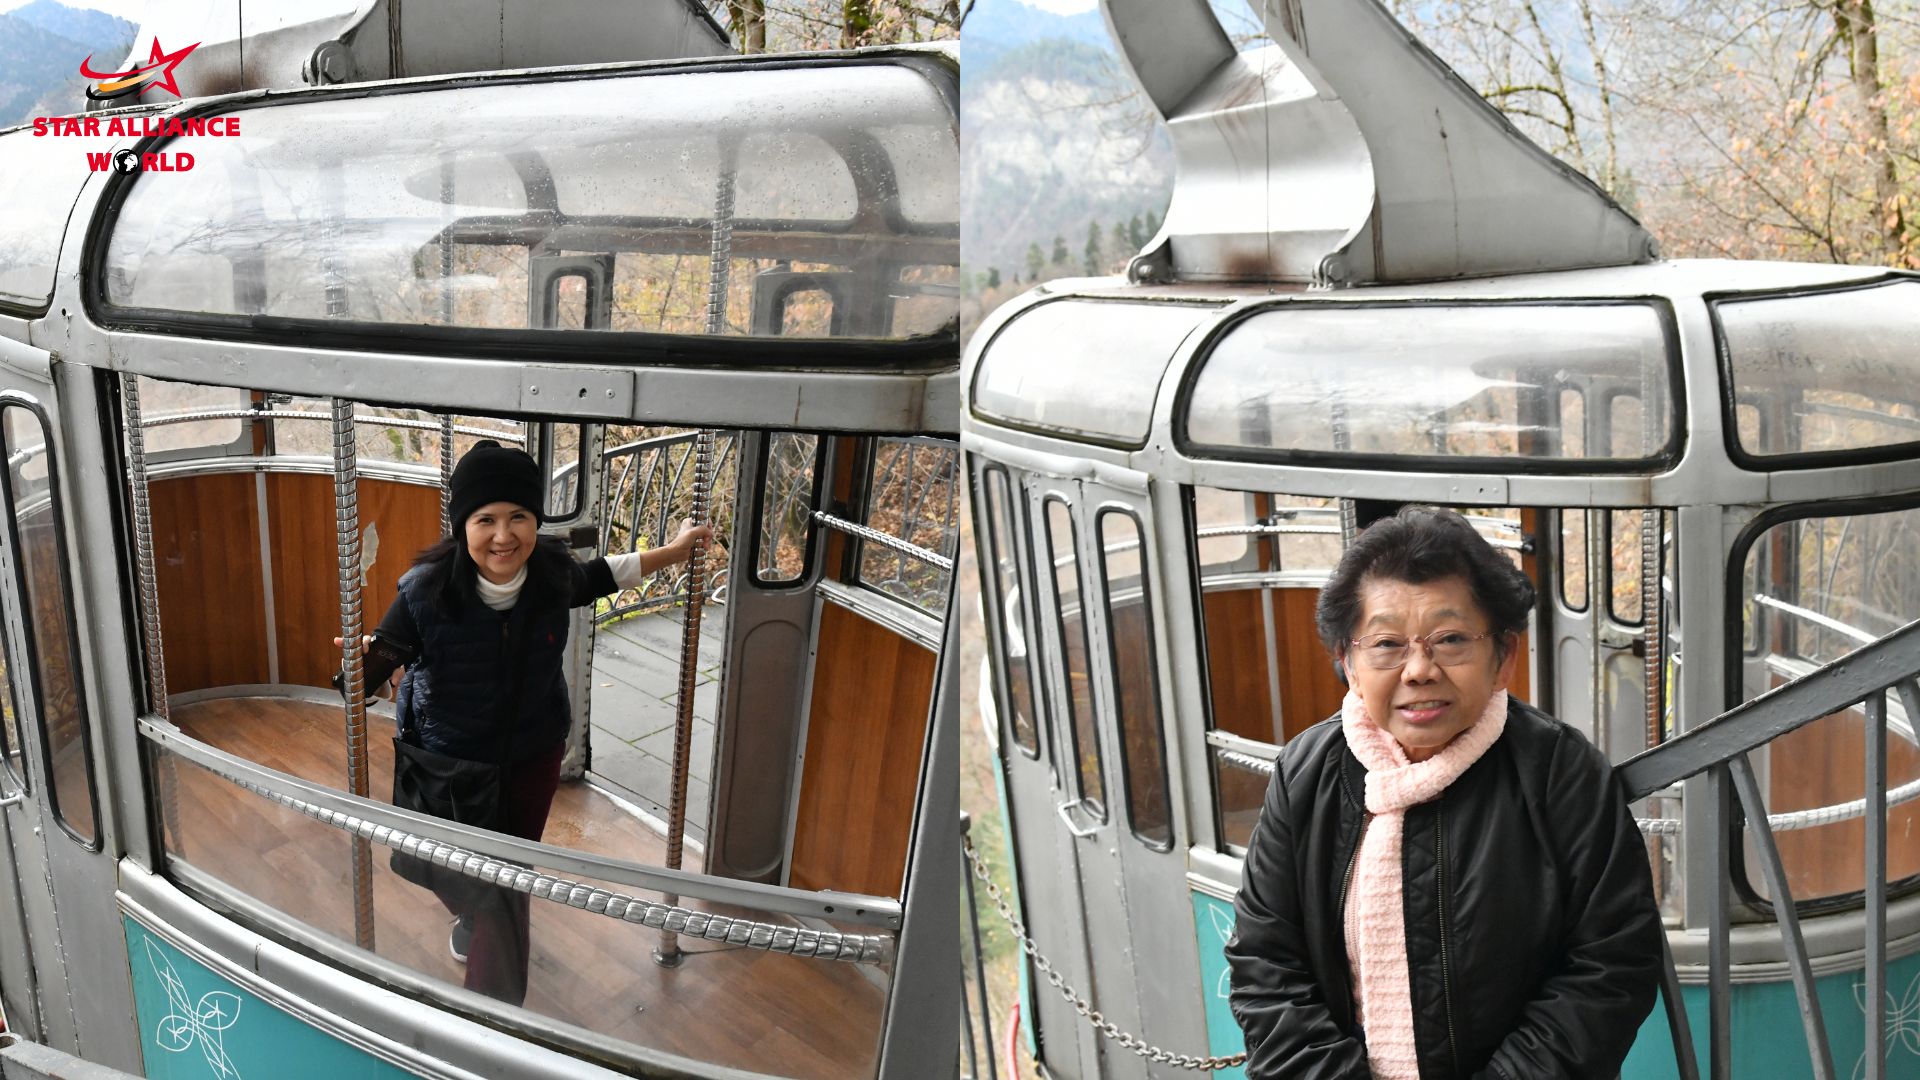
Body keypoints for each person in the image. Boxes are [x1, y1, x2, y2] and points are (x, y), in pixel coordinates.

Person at [1226, 506, 1661, 1079]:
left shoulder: (1559, 772)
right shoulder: (1306, 774)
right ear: (1348, 663)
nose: (1419, 670)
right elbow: (1266, 965)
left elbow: (1610, 965)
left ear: (1503, 658)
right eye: (1387, 643)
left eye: (1451, 639)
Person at [341, 439, 710, 1006]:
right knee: (449, 869)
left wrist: (675, 551)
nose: (503, 535)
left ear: (537, 521)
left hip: (532, 757)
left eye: (519, 517)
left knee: (508, 886)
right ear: (462, 527)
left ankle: (491, 1026)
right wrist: (361, 667)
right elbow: (368, 676)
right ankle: (474, 913)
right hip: (450, 763)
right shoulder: (424, 593)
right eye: (485, 519)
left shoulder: (551, 576)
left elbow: (606, 574)